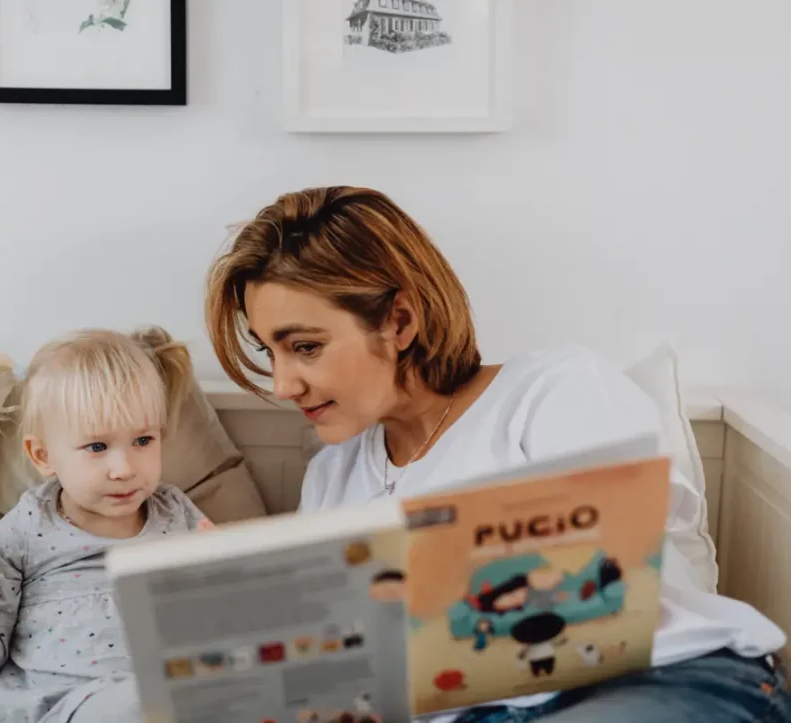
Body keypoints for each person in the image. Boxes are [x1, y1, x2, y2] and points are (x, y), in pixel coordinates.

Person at [205, 186, 789, 722]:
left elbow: (611, 567)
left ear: (399, 321)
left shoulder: (552, 388)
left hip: (648, 679)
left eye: (304, 347)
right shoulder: (331, 479)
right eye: (270, 352)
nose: (283, 385)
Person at [0, 328, 211, 723]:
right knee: (137, 702)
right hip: (59, 708)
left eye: (143, 440)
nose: (124, 469)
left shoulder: (177, 515)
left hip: (169, 698)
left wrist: (225, 565)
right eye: (97, 447)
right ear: (43, 456)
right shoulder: (23, 533)